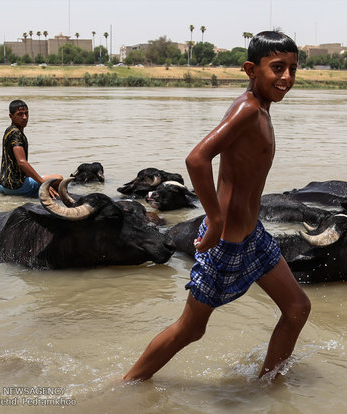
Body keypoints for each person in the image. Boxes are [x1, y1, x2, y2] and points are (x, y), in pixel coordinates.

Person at [123, 31, 311, 382]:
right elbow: (197, 159)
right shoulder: (247, 109)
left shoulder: (262, 111)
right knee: (191, 329)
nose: (287, 77)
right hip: (227, 243)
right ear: (251, 70)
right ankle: (127, 385)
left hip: (253, 236)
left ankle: (267, 386)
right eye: (277, 68)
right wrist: (215, 217)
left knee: (298, 307)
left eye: (293, 69)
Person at [0, 100, 62, 198]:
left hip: (2, 185)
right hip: (15, 186)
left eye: (26, 113)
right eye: (20, 114)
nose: (25, 117)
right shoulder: (16, 133)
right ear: (11, 116)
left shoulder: (9, 130)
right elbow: (22, 162)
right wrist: (43, 184)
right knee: (59, 178)